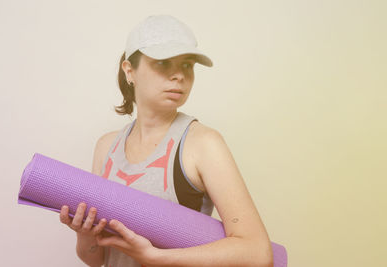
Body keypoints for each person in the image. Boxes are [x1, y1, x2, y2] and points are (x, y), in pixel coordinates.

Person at [59, 15, 273, 267]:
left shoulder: (203, 144)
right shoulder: (106, 147)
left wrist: (157, 258)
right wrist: (85, 235)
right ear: (130, 71)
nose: (179, 76)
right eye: (163, 62)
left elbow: (258, 254)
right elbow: (98, 260)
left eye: (187, 65)